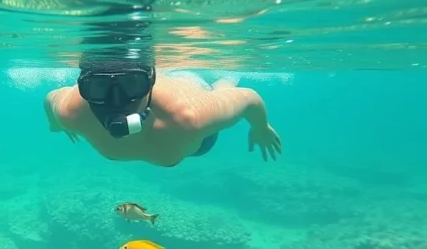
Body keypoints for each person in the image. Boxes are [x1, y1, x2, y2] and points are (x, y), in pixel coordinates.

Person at [43, 58, 282, 167]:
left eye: (132, 85)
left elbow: (249, 98)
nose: (116, 102)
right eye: (97, 87)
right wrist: (56, 124)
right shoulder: (70, 112)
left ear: (150, 83)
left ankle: (223, 81)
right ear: (84, 87)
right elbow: (50, 100)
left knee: (221, 88)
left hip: (192, 90)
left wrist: (261, 127)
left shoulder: (189, 118)